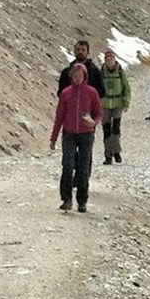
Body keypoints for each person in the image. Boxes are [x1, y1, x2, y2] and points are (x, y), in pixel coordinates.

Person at [50, 62, 103, 211]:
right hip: (69, 133)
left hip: (87, 134)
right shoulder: (66, 93)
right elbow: (59, 116)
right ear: (71, 76)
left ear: (84, 76)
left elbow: (99, 113)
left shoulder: (92, 92)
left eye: (80, 75)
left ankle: (82, 201)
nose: (78, 78)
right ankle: (66, 199)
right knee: (68, 165)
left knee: (84, 168)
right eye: (75, 75)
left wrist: (94, 122)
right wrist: (54, 137)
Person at [98, 50, 131, 164]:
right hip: (105, 104)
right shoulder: (102, 73)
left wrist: (126, 102)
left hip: (118, 104)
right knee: (106, 130)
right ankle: (108, 155)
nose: (109, 62)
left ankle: (116, 152)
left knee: (116, 129)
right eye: (107, 60)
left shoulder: (120, 72)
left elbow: (126, 87)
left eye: (111, 59)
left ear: (114, 60)